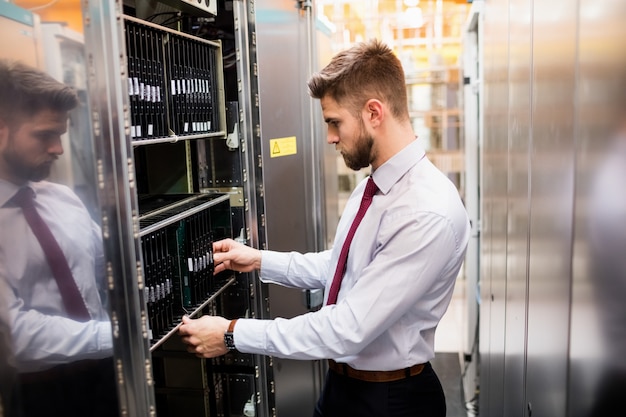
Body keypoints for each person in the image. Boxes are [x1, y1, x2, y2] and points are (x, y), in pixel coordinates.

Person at [179, 39, 470, 417]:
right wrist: (259, 261)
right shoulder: (374, 185)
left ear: (374, 113)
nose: (331, 137)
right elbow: (345, 267)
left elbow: (346, 328)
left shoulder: (424, 211)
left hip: (389, 401)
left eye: (335, 122)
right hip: (342, 388)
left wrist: (233, 334)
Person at [0, 59, 118, 417]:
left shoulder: (60, 198)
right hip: (37, 393)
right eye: (44, 135)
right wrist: (116, 337)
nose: (58, 149)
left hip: (106, 372)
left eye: (60, 135)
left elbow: (105, 273)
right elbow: (16, 336)